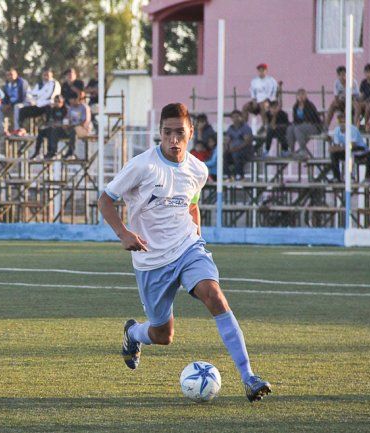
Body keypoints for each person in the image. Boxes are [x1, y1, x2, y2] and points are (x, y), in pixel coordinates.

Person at [97, 102, 271, 403]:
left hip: (188, 248)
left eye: (180, 132)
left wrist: (197, 235)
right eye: (167, 132)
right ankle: (133, 334)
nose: (173, 139)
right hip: (151, 260)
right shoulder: (142, 165)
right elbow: (105, 199)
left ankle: (249, 377)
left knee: (214, 295)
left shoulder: (198, 169)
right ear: (160, 133)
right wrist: (124, 233)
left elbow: (191, 204)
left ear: (191, 132)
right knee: (163, 335)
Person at [45, 91, 92, 160]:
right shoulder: (71, 108)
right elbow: (67, 118)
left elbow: (85, 121)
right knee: (55, 131)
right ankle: (53, 152)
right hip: (71, 128)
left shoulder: (84, 107)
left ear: (76, 99)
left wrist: (72, 126)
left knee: (74, 130)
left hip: (83, 128)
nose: (70, 102)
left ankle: (71, 152)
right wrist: (64, 125)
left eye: (71, 100)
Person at [17, 68, 61, 133]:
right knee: (22, 110)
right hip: (38, 105)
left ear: (51, 75)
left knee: (48, 108)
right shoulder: (39, 84)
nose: (45, 76)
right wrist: (34, 99)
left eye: (47, 75)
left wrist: (38, 96)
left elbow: (50, 96)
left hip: (48, 105)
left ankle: (48, 128)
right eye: (44, 75)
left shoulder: (54, 83)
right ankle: (22, 129)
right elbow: (32, 94)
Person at [328, 111, 367, 183]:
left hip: (359, 149)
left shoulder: (353, 129)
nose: (342, 123)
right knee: (333, 154)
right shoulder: (337, 130)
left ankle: (351, 175)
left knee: (350, 153)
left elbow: (353, 144)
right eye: (340, 121)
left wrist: (340, 148)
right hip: (345, 149)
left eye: (343, 121)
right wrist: (333, 148)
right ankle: (336, 177)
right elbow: (337, 144)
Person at [286, 88, 322, 157]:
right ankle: (291, 150)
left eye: (303, 95)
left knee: (297, 129)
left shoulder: (309, 105)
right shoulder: (295, 107)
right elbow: (295, 120)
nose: (301, 97)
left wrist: (300, 123)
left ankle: (303, 150)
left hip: (313, 126)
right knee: (290, 129)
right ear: (296, 97)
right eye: (299, 95)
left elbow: (310, 119)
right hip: (301, 125)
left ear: (306, 96)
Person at [242, 63, 278, 129]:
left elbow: (273, 93)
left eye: (263, 70)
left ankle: (265, 125)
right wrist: (254, 100)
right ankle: (244, 126)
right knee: (245, 107)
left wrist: (266, 100)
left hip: (269, 102)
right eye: (259, 70)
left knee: (262, 105)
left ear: (266, 71)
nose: (261, 72)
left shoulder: (271, 80)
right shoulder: (254, 81)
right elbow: (252, 91)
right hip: (257, 101)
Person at [31, 95, 68, 159]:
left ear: (62, 102)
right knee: (41, 132)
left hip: (62, 130)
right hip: (52, 128)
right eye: (55, 101)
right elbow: (49, 121)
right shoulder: (52, 110)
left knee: (52, 131)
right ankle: (37, 151)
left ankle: (53, 152)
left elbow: (66, 122)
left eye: (59, 101)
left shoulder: (65, 110)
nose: (57, 103)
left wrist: (57, 124)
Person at [324, 66, 359, 130]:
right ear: (338, 75)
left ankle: (354, 126)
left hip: (352, 100)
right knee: (332, 105)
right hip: (342, 101)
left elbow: (355, 95)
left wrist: (347, 99)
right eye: (341, 75)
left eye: (344, 75)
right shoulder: (337, 83)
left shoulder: (352, 82)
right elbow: (336, 96)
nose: (343, 77)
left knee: (354, 106)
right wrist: (336, 102)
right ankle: (326, 126)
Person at [224, 110, 254, 180]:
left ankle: (240, 175)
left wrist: (236, 148)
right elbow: (227, 140)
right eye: (233, 117)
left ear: (241, 117)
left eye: (237, 116)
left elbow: (247, 142)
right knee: (225, 156)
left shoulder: (246, 128)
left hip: (245, 150)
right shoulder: (230, 128)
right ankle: (230, 176)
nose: (235, 119)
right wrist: (227, 147)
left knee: (236, 155)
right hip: (233, 149)